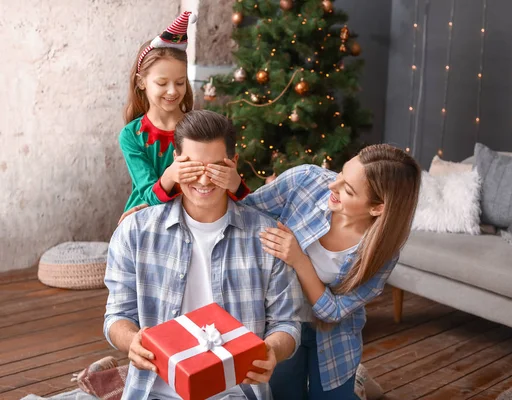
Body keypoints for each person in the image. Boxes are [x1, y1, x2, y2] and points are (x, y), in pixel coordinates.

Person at [104, 110, 304, 400]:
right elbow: (117, 316)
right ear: (176, 161)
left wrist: (271, 349)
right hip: (154, 391)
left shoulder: (266, 237)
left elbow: (287, 323)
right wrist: (131, 341)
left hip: (237, 392)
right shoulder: (135, 232)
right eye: (193, 167)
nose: (203, 180)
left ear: (233, 164)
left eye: (215, 168)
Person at [242, 144, 421, 399]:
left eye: (347, 190)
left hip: (334, 338)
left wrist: (299, 260)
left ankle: (357, 383)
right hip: (282, 323)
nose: (331, 186)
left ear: (377, 208)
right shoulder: (305, 180)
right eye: (340, 174)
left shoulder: (381, 252)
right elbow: (246, 211)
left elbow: (334, 311)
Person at [120, 11, 248, 213]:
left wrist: (234, 182)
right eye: (162, 83)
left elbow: (228, 192)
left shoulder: (199, 127)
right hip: (145, 215)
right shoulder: (132, 135)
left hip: (195, 216)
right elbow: (148, 195)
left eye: (180, 82)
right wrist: (171, 175)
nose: (173, 91)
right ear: (141, 82)